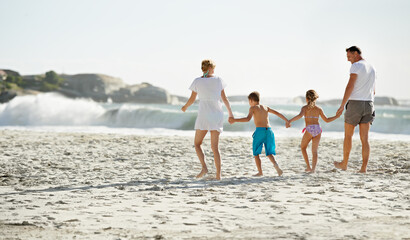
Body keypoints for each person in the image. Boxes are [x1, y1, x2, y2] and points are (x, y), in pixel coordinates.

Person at [181, 59, 233, 180]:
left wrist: (185, 107)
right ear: (210, 68)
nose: (214, 70)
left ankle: (204, 167)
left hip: (204, 114)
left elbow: (192, 99)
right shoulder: (218, 80)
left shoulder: (197, 81)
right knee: (215, 147)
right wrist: (230, 114)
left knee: (197, 143)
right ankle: (218, 175)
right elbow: (225, 99)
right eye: (213, 68)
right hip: (216, 114)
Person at [334, 46, 376, 173]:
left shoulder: (356, 66)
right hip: (369, 103)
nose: (348, 60)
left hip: (355, 103)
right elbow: (374, 91)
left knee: (348, 135)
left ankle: (344, 164)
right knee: (365, 138)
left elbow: (350, 85)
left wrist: (342, 104)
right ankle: (363, 168)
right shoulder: (372, 68)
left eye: (349, 56)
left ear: (356, 53)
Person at [228, 91, 288, 176]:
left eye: (249, 101)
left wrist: (235, 120)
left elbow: (247, 119)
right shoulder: (265, 107)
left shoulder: (253, 108)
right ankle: (276, 166)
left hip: (260, 131)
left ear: (251, 100)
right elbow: (277, 113)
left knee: (256, 153)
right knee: (269, 153)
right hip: (269, 131)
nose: (249, 103)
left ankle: (260, 172)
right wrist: (287, 121)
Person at [288, 90, 341, 173]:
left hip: (309, 129)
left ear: (306, 98)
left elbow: (299, 116)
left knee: (303, 147)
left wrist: (290, 121)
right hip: (318, 129)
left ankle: (308, 167)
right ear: (315, 99)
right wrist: (336, 116)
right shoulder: (319, 109)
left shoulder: (304, 108)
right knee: (314, 151)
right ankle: (313, 169)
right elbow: (326, 120)